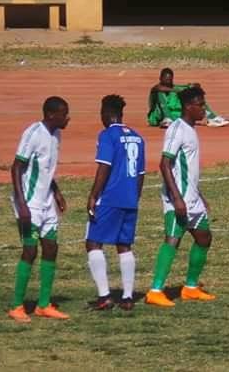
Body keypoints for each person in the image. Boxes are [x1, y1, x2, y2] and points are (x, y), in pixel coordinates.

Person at [145, 86, 217, 307]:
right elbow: (164, 163)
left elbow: (187, 169)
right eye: (201, 104)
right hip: (178, 199)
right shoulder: (177, 129)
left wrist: (199, 194)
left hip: (192, 198)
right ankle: (155, 291)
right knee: (172, 240)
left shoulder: (191, 129)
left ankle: (191, 288)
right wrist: (176, 198)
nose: (204, 108)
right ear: (189, 106)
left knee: (204, 238)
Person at [7, 96, 71, 322]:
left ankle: (43, 304)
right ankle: (16, 306)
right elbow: (16, 168)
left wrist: (57, 191)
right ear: (52, 114)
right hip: (30, 204)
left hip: (46, 203)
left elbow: (46, 169)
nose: (68, 117)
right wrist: (21, 204)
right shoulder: (33, 133)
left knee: (51, 248)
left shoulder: (56, 134)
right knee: (30, 251)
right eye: (65, 113)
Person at [85, 95, 146, 311]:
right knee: (124, 246)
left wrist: (94, 195)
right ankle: (128, 297)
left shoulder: (107, 135)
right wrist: (134, 197)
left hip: (110, 198)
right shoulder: (138, 137)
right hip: (130, 198)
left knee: (93, 242)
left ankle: (104, 296)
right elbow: (141, 173)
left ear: (107, 113)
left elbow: (104, 167)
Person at [147, 67, 229, 128]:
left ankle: (212, 117)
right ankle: (167, 118)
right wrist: (180, 89)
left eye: (170, 80)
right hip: (157, 117)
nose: (168, 81)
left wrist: (192, 87)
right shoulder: (156, 89)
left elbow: (186, 87)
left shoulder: (174, 89)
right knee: (161, 93)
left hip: (174, 115)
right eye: (166, 79)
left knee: (193, 94)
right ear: (160, 78)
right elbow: (159, 88)